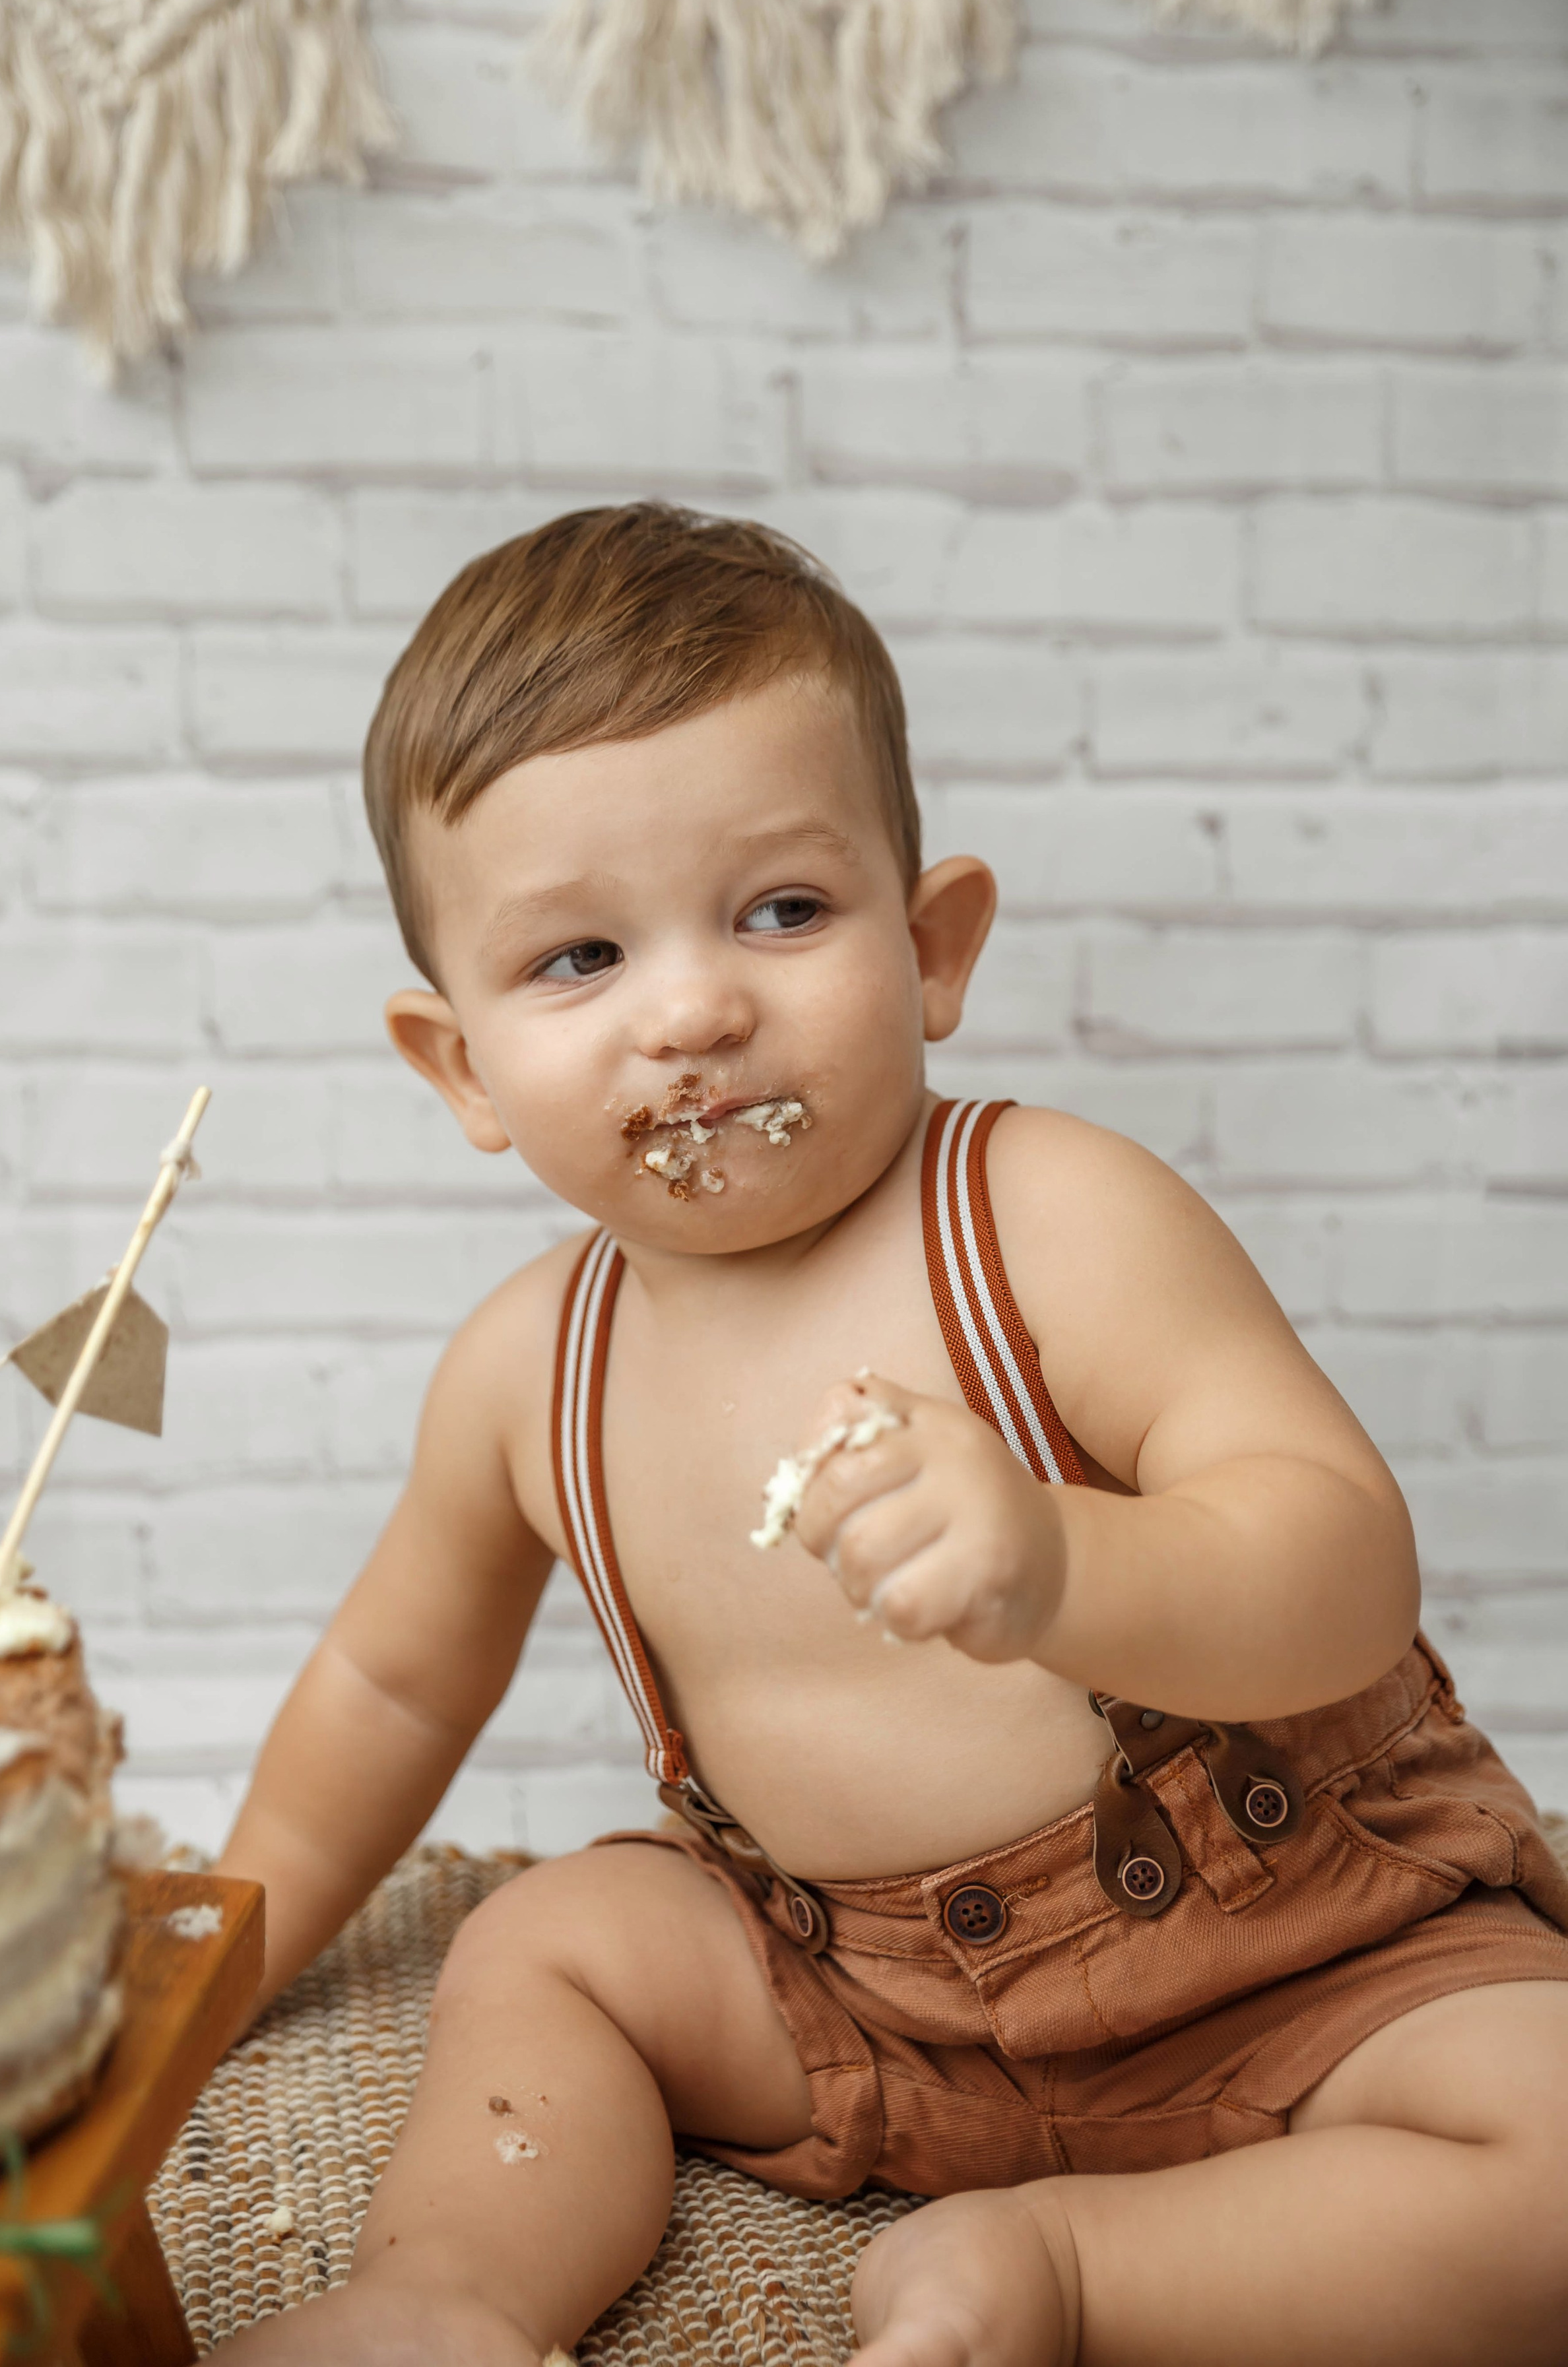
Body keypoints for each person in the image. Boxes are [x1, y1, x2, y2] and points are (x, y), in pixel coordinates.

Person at [214, 503, 1568, 2367]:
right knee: (553, 1945)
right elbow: (388, 1687)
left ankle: (1080, 2276)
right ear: (461, 1066)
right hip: (852, 1997)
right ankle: (449, 2293)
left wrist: (1067, 1562)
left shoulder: (1046, 1217)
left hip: (1295, 1951)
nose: (694, 1009)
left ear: (932, 948)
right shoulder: (533, 1368)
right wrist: (217, 1957)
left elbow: (1343, 1562)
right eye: (579, 959)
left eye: (783, 912)